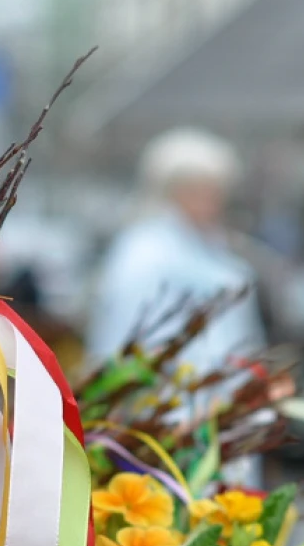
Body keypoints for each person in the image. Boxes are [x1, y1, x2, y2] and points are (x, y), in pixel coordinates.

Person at [86, 127, 267, 486]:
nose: (215, 202)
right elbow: (125, 344)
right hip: (172, 420)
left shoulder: (207, 246)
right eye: (208, 190)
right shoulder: (144, 255)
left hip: (219, 414)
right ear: (178, 191)